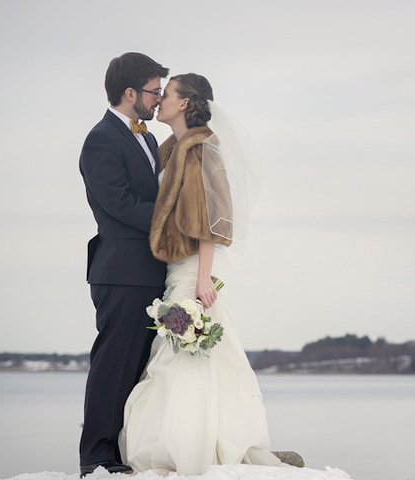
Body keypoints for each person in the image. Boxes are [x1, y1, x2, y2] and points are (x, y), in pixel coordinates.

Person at [118, 73, 281, 474]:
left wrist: (204, 277)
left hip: (194, 267)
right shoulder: (170, 149)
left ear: (186, 103)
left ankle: (194, 446)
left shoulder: (203, 148)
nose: (159, 102)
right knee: (181, 355)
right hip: (175, 266)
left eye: (166, 95)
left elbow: (211, 218)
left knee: (190, 354)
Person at [78, 53, 170, 476]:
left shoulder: (148, 139)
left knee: (135, 368)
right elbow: (119, 203)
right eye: (154, 91)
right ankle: (96, 455)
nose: (159, 99)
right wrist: (174, 216)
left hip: (150, 270)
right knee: (112, 364)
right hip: (121, 271)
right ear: (130, 92)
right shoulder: (101, 139)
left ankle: (122, 451)